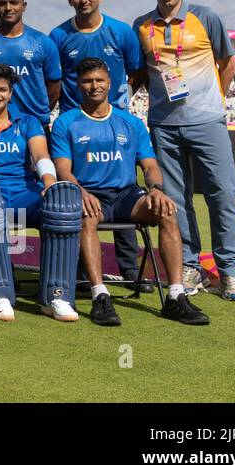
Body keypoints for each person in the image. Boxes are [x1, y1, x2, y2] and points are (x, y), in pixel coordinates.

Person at [51, 58, 209, 326]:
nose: (94, 86)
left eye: (99, 80)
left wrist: (156, 189)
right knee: (85, 217)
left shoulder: (131, 123)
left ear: (110, 83)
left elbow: (149, 164)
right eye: (88, 81)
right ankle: (100, 295)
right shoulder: (66, 123)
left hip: (126, 196)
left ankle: (175, 296)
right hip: (91, 195)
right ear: (78, 85)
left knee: (167, 211)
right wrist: (80, 192)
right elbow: (62, 170)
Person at [130, 0, 235, 301]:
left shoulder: (205, 17)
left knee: (222, 194)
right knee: (176, 202)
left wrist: (215, 103)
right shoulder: (142, 25)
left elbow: (228, 63)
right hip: (164, 126)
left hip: (207, 122)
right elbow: (139, 76)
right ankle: (190, 266)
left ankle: (231, 271)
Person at [0, 63, 81, 322]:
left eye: (2, 89)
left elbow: (41, 156)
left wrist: (49, 184)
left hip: (24, 191)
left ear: (11, 92)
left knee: (62, 203)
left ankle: (56, 296)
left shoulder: (28, 121)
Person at [49, 0, 145, 282]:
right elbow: (54, 77)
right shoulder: (59, 36)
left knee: (122, 184)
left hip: (115, 120)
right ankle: (80, 270)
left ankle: (129, 270)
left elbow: (137, 72)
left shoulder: (121, 32)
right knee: (79, 191)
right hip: (74, 123)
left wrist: (118, 106)